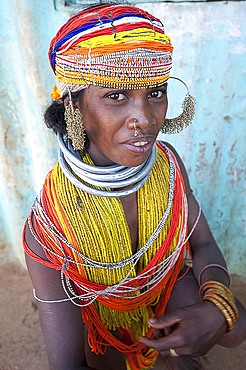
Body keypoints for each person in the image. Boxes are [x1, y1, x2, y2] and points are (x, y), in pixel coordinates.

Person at [23, 4, 246, 370]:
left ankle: (170, 355)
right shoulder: (49, 225)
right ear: (74, 106)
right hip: (102, 315)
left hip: (165, 285)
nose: (144, 119)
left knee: (235, 329)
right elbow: (65, 364)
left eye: (155, 92)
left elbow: (202, 242)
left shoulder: (168, 165)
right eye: (116, 95)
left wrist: (216, 305)